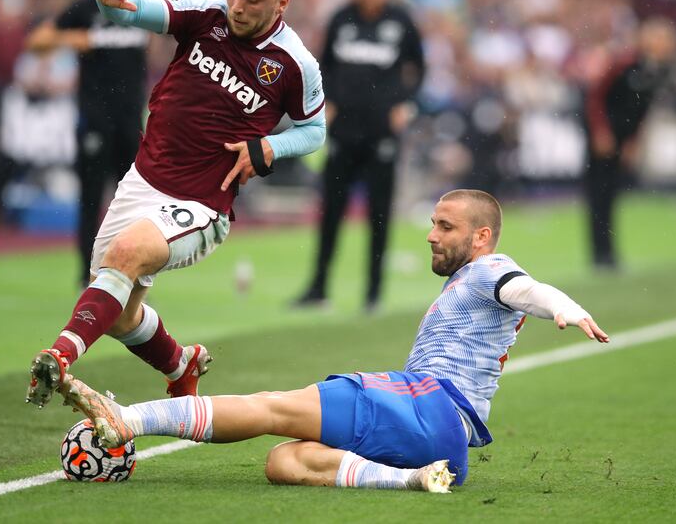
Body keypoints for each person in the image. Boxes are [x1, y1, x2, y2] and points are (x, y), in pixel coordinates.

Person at [58, 189, 609, 493]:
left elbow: (525, 289)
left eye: (444, 226)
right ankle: (411, 479)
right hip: (441, 441)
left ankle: (128, 419)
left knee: (273, 406)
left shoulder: (492, 270)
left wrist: (564, 307)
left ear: (481, 236)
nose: (431, 234)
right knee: (285, 463)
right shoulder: (470, 280)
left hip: (428, 402)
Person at [26, 0, 326, 408]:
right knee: (120, 315)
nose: (237, 6)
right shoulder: (204, 14)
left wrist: (273, 145)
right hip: (142, 180)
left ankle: (58, 356)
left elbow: (314, 129)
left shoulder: (295, 64)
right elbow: (128, 13)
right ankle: (179, 364)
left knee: (125, 256)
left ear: (282, 3)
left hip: (202, 203)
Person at [294, 0, 425, 313]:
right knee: (331, 210)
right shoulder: (341, 18)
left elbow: (419, 68)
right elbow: (324, 66)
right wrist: (327, 101)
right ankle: (318, 287)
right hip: (343, 132)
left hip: (382, 132)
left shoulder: (401, 20)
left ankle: (373, 293)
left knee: (379, 214)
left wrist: (406, 103)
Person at [26, 0, 149, 287]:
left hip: (130, 121)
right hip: (94, 119)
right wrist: (69, 37)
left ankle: (130, 273)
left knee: (133, 203)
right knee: (91, 198)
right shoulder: (85, 7)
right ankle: (87, 275)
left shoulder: (145, 5)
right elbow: (36, 41)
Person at [584, 17, 676, 270]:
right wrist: (600, 132)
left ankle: (609, 253)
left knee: (613, 193)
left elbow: (643, 110)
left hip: (623, 137)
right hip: (603, 134)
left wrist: (633, 141)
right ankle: (600, 254)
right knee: (599, 194)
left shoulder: (661, 70)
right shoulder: (625, 63)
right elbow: (596, 96)